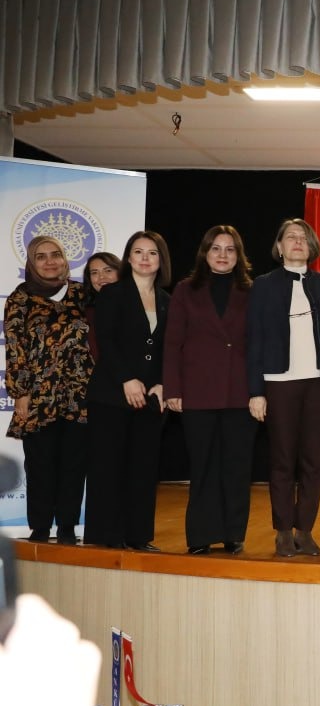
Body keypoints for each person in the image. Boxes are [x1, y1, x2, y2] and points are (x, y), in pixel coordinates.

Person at [247, 219, 320, 558]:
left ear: (312, 246)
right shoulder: (263, 285)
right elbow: (254, 339)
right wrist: (256, 391)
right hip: (279, 382)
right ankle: (283, 531)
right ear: (279, 246)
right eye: (291, 237)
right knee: (282, 459)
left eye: (304, 237)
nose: (298, 241)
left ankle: (305, 530)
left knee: (314, 461)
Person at [163, 225, 256, 555]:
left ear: (238, 255)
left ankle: (233, 533)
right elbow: (172, 343)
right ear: (205, 253)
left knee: (236, 466)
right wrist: (172, 389)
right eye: (216, 248)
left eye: (230, 249)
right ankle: (201, 534)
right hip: (197, 392)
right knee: (202, 466)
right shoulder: (185, 290)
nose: (222, 255)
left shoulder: (252, 291)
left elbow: (260, 342)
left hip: (240, 392)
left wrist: (260, 390)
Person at [84, 230, 171, 551]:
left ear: (161, 260)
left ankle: (138, 536)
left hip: (151, 399)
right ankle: (106, 538)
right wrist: (127, 379)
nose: (145, 258)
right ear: (129, 258)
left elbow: (170, 348)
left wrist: (162, 382)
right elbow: (106, 341)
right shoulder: (113, 293)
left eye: (152, 253)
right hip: (111, 394)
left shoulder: (167, 300)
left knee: (143, 469)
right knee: (108, 468)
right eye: (138, 252)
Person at [3, 236, 93, 545]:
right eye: (41, 256)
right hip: (38, 397)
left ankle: (67, 527)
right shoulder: (20, 298)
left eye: (55, 254)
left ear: (66, 259)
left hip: (80, 396)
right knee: (40, 466)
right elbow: (14, 347)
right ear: (31, 263)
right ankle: (40, 528)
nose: (50, 261)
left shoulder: (83, 294)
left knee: (74, 465)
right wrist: (21, 393)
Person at [83, 252, 121, 361]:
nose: (101, 277)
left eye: (108, 270)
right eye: (94, 272)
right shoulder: (88, 313)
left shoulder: (138, 305)